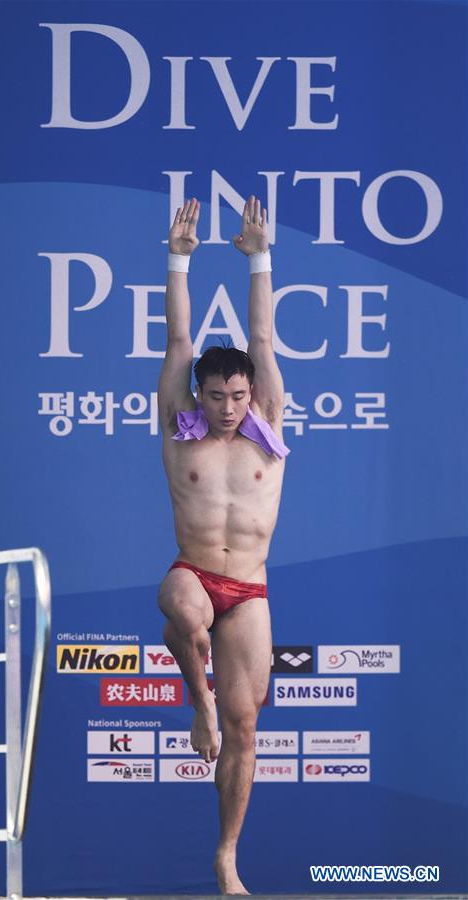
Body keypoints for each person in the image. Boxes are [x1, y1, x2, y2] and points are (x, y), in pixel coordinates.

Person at [157, 194, 289, 895]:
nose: (229, 407)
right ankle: (196, 698)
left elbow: (261, 340)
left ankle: (227, 857)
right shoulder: (181, 428)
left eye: (238, 395)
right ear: (199, 396)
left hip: (251, 591)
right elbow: (179, 344)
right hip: (193, 573)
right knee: (184, 609)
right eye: (217, 396)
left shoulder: (267, 422)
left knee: (246, 725)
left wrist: (258, 257)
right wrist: (178, 260)